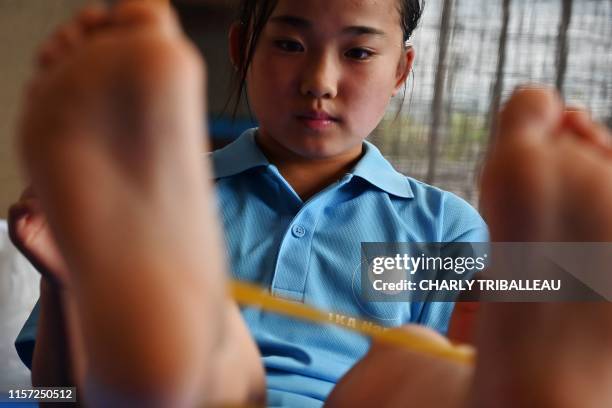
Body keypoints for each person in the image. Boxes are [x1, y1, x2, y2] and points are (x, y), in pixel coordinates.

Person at [11, 0, 612, 406]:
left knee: (421, 366)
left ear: (402, 70)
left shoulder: (436, 232)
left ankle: (543, 376)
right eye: (291, 44)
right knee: (209, 346)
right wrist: (61, 282)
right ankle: (170, 361)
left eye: (357, 52)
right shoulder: (161, 203)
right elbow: (50, 396)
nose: (319, 79)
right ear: (243, 47)